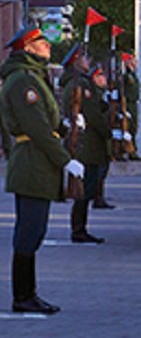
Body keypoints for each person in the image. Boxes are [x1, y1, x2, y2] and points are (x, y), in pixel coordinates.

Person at [0, 26, 83, 314]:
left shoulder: (33, 77)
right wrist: (65, 160)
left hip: (37, 161)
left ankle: (28, 293)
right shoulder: (24, 81)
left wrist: (66, 126)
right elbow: (36, 127)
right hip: (32, 161)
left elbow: (48, 120)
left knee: (33, 231)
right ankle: (23, 296)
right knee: (29, 232)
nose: (48, 46)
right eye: (42, 43)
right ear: (28, 47)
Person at [60, 60, 110, 244]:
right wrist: (108, 133)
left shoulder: (77, 84)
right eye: (84, 59)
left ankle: (80, 228)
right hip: (88, 144)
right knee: (85, 189)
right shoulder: (81, 85)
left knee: (87, 188)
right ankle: (78, 229)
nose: (87, 61)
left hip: (86, 143)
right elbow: (93, 115)